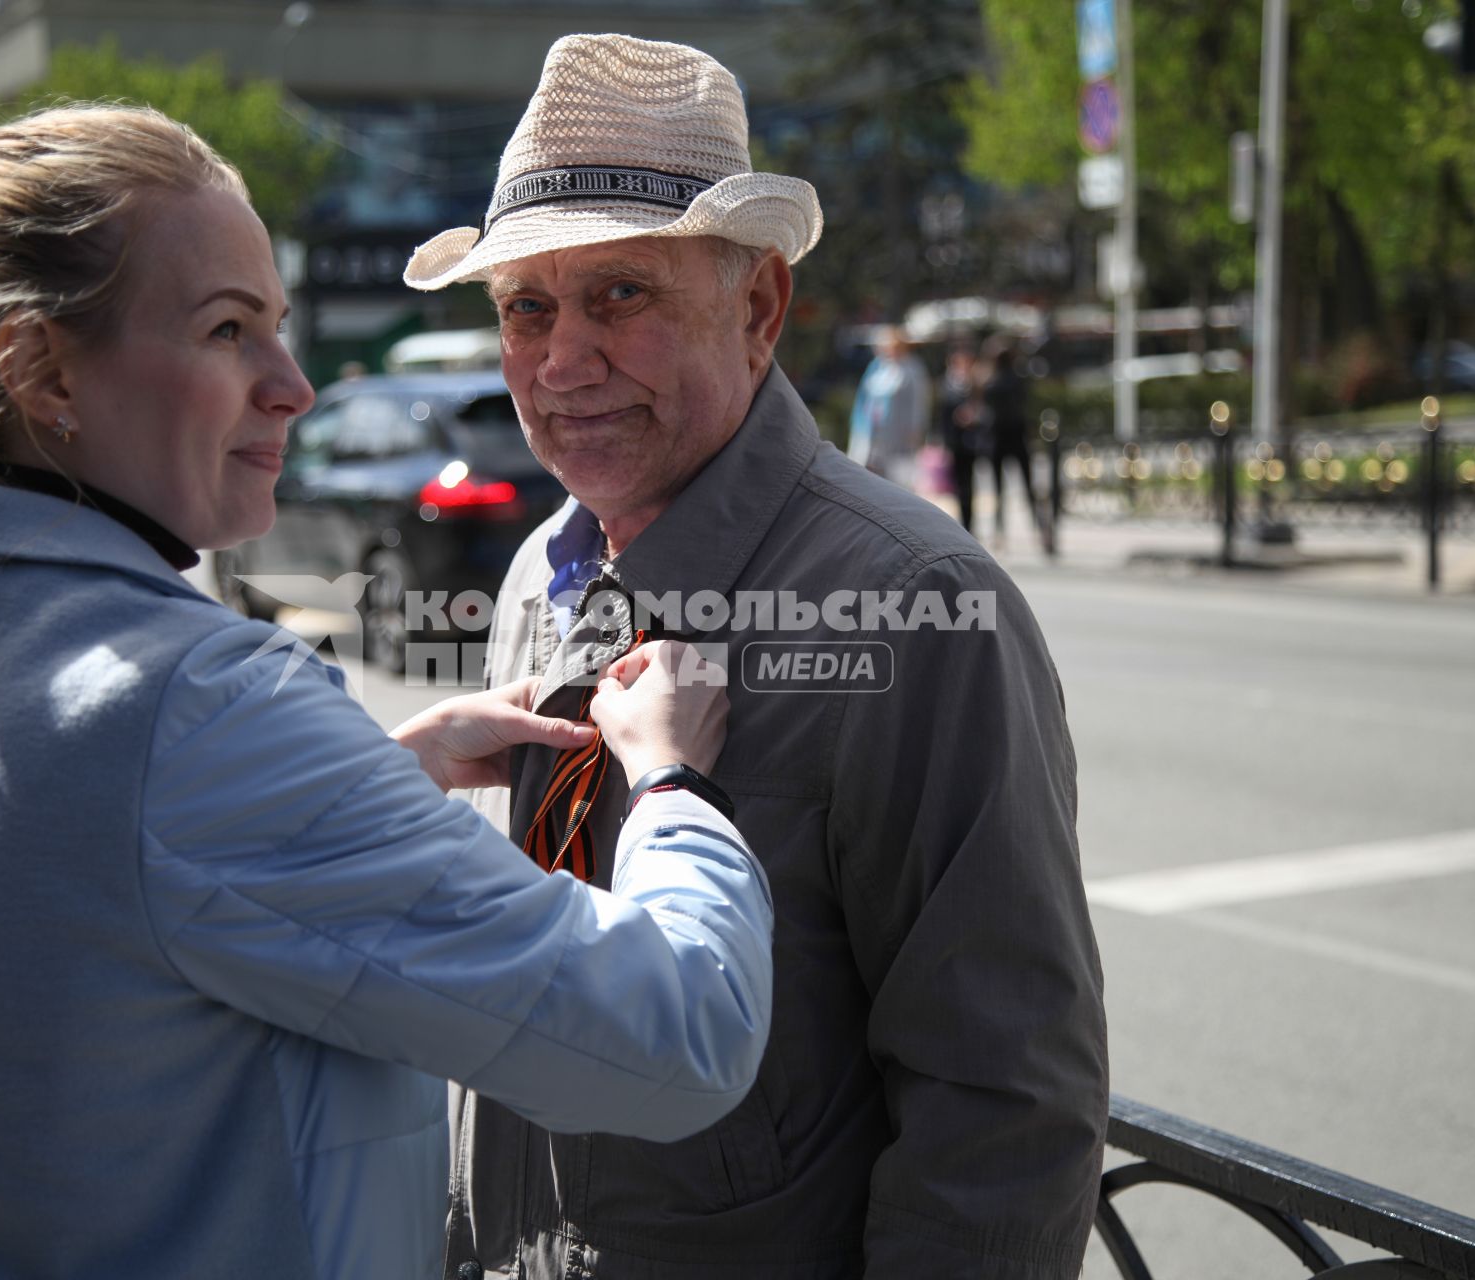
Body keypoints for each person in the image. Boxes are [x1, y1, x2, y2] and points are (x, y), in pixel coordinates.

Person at [0, 103, 776, 1279]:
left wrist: (364, 784)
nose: (294, 386)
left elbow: (80, 910)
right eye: (228, 330)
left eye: (278, 326)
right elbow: (680, 1034)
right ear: (43, 370)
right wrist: (672, 780)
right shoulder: (191, 713)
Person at [405, 34, 1108, 1280]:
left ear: (760, 308)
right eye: (527, 308)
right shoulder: (538, 573)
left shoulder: (916, 605)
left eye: (620, 295)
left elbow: (1003, 1109)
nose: (562, 363)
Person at [980, 343, 1055, 555]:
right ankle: (1041, 531)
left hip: (997, 439)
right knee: (1029, 489)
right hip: (1017, 438)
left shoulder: (991, 382)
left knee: (998, 490)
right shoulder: (1018, 379)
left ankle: (999, 533)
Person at [847, 325, 930, 488]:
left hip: (898, 431)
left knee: (896, 479)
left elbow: (919, 401)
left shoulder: (911, 369)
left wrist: (915, 428)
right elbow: (864, 397)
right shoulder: (876, 367)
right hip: (872, 430)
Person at [940, 342, 987, 532]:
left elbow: (985, 410)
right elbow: (943, 415)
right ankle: (963, 521)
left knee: (970, 483)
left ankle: (970, 524)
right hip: (955, 440)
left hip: (973, 441)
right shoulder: (948, 384)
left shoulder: (976, 383)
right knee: (958, 484)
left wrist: (973, 416)